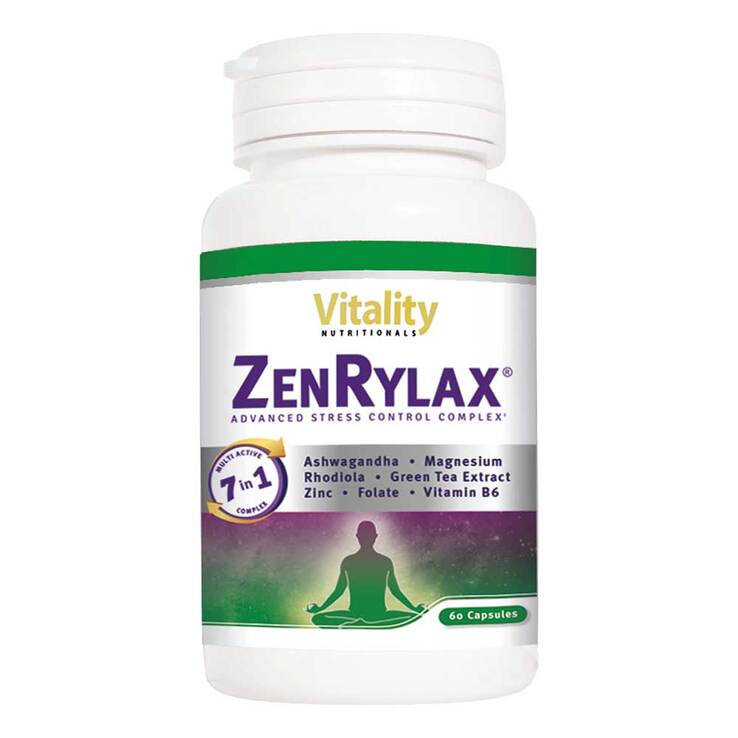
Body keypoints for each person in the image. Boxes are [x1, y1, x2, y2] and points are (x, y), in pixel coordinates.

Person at [306, 521, 425, 627]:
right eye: (364, 536)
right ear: (358, 537)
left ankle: (360, 624)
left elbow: (395, 591)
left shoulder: (385, 562)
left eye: (369, 536)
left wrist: (414, 609)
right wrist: (321, 608)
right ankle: (372, 624)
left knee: (417, 618)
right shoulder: (349, 561)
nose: (366, 539)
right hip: (356, 614)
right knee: (317, 618)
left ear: (375, 537)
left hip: (378, 614)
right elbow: (339, 591)